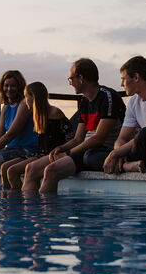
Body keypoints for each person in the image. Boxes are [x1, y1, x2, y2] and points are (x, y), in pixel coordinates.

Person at [28, 59, 126, 193]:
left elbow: (99, 139)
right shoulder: (85, 101)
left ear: (81, 78)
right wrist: (61, 148)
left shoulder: (107, 96)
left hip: (98, 151)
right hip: (84, 149)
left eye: (71, 79)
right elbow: (78, 138)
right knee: (31, 169)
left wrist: (69, 153)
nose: (70, 83)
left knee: (51, 171)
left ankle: (48, 214)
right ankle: (28, 212)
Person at [1, 82, 72, 189]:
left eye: (26, 96)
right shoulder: (37, 114)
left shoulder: (54, 112)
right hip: (39, 154)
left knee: (27, 169)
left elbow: (70, 136)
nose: (24, 101)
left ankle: (29, 200)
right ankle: (13, 202)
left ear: (33, 96)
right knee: (10, 170)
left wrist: (63, 151)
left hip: (53, 154)